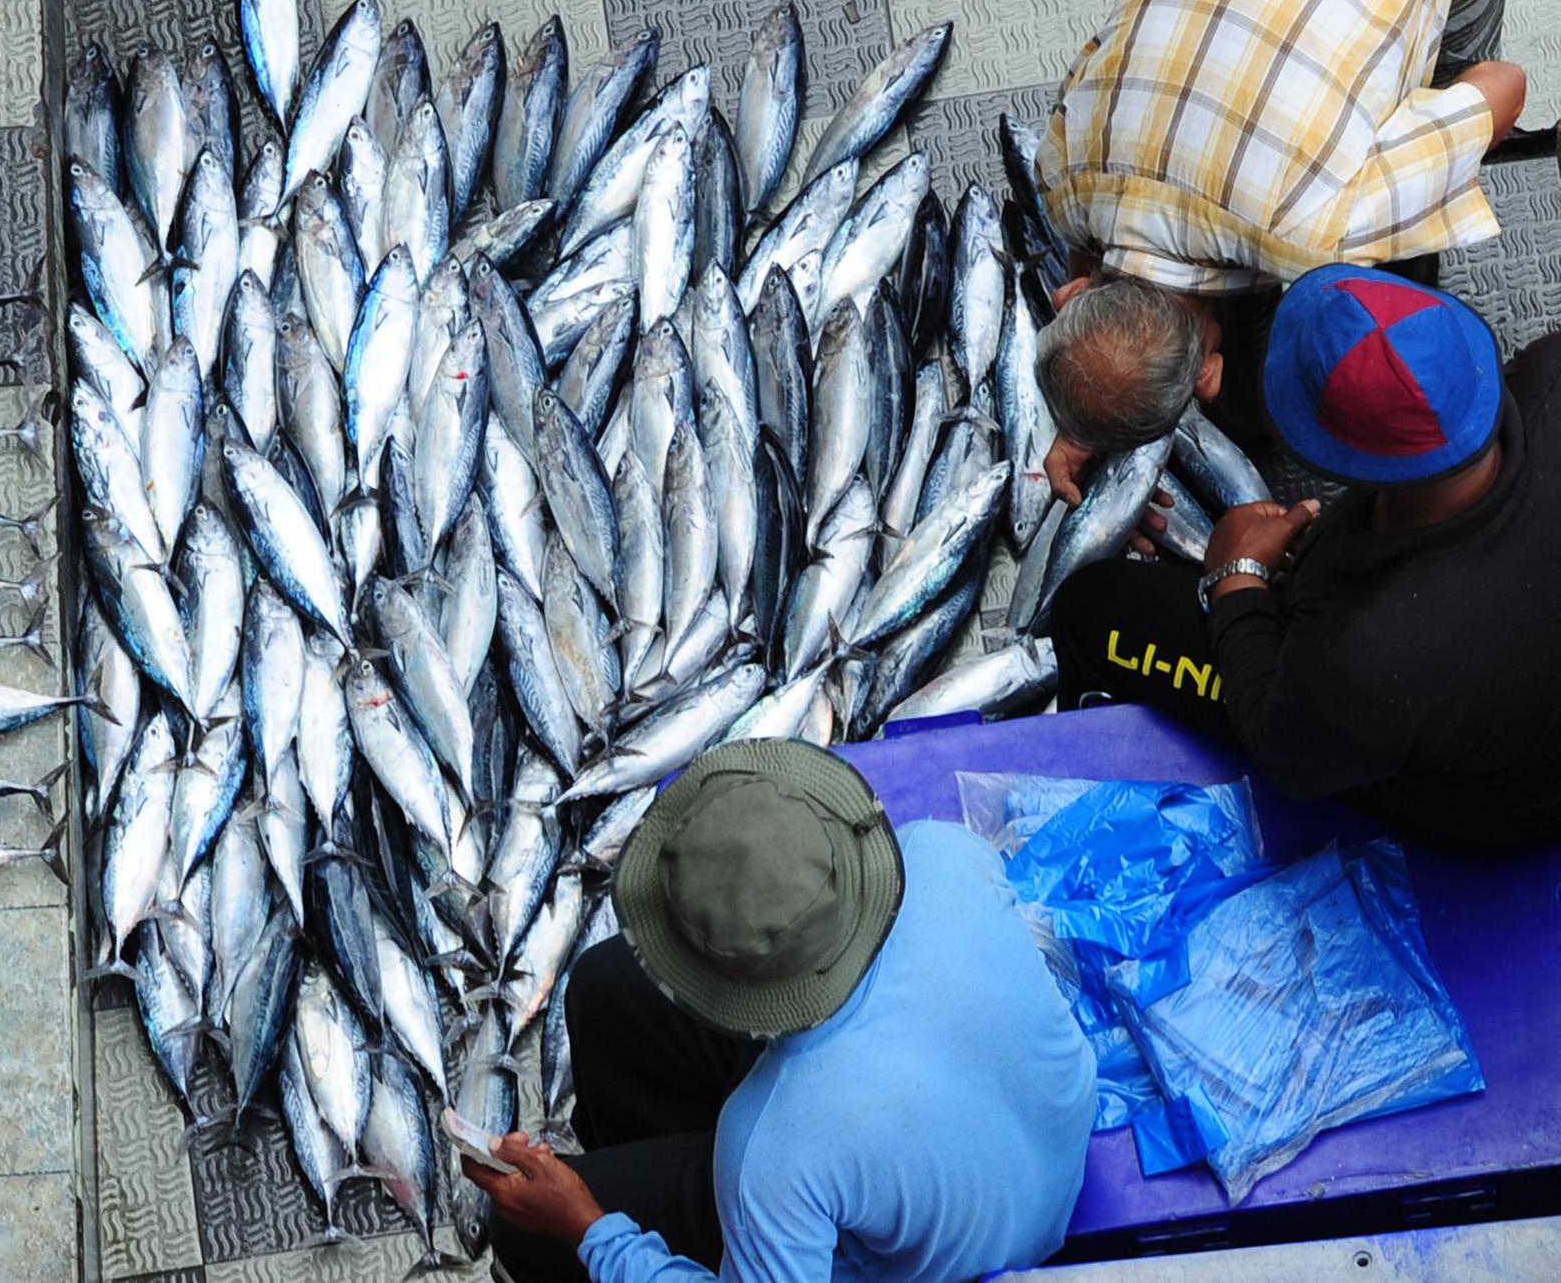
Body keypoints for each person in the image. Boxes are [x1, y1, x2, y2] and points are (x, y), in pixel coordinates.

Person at [464, 738, 1097, 1282]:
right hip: (1028, 1124)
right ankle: (659, 1168)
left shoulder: (774, 1151)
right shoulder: (939, 852)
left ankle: (652, 1207)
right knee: (600, 986)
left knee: (525, 1232)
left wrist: (587, 1226)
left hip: (957, 1251)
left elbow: (791, 1144)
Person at [1049, 264, 1561, 848]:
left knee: (1090, 609)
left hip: (1484, 815)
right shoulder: (1551, 368)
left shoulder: (1368, 652)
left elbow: (1286, 748)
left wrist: (1236, 581)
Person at [1034, 0, 1523, 503]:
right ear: (1070, 293)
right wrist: (1094, 396)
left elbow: (1506, 84)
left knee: (1441, 105)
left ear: (1210, 377)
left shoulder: (1319, 230)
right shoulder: (1061, 170)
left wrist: (1439, 128)